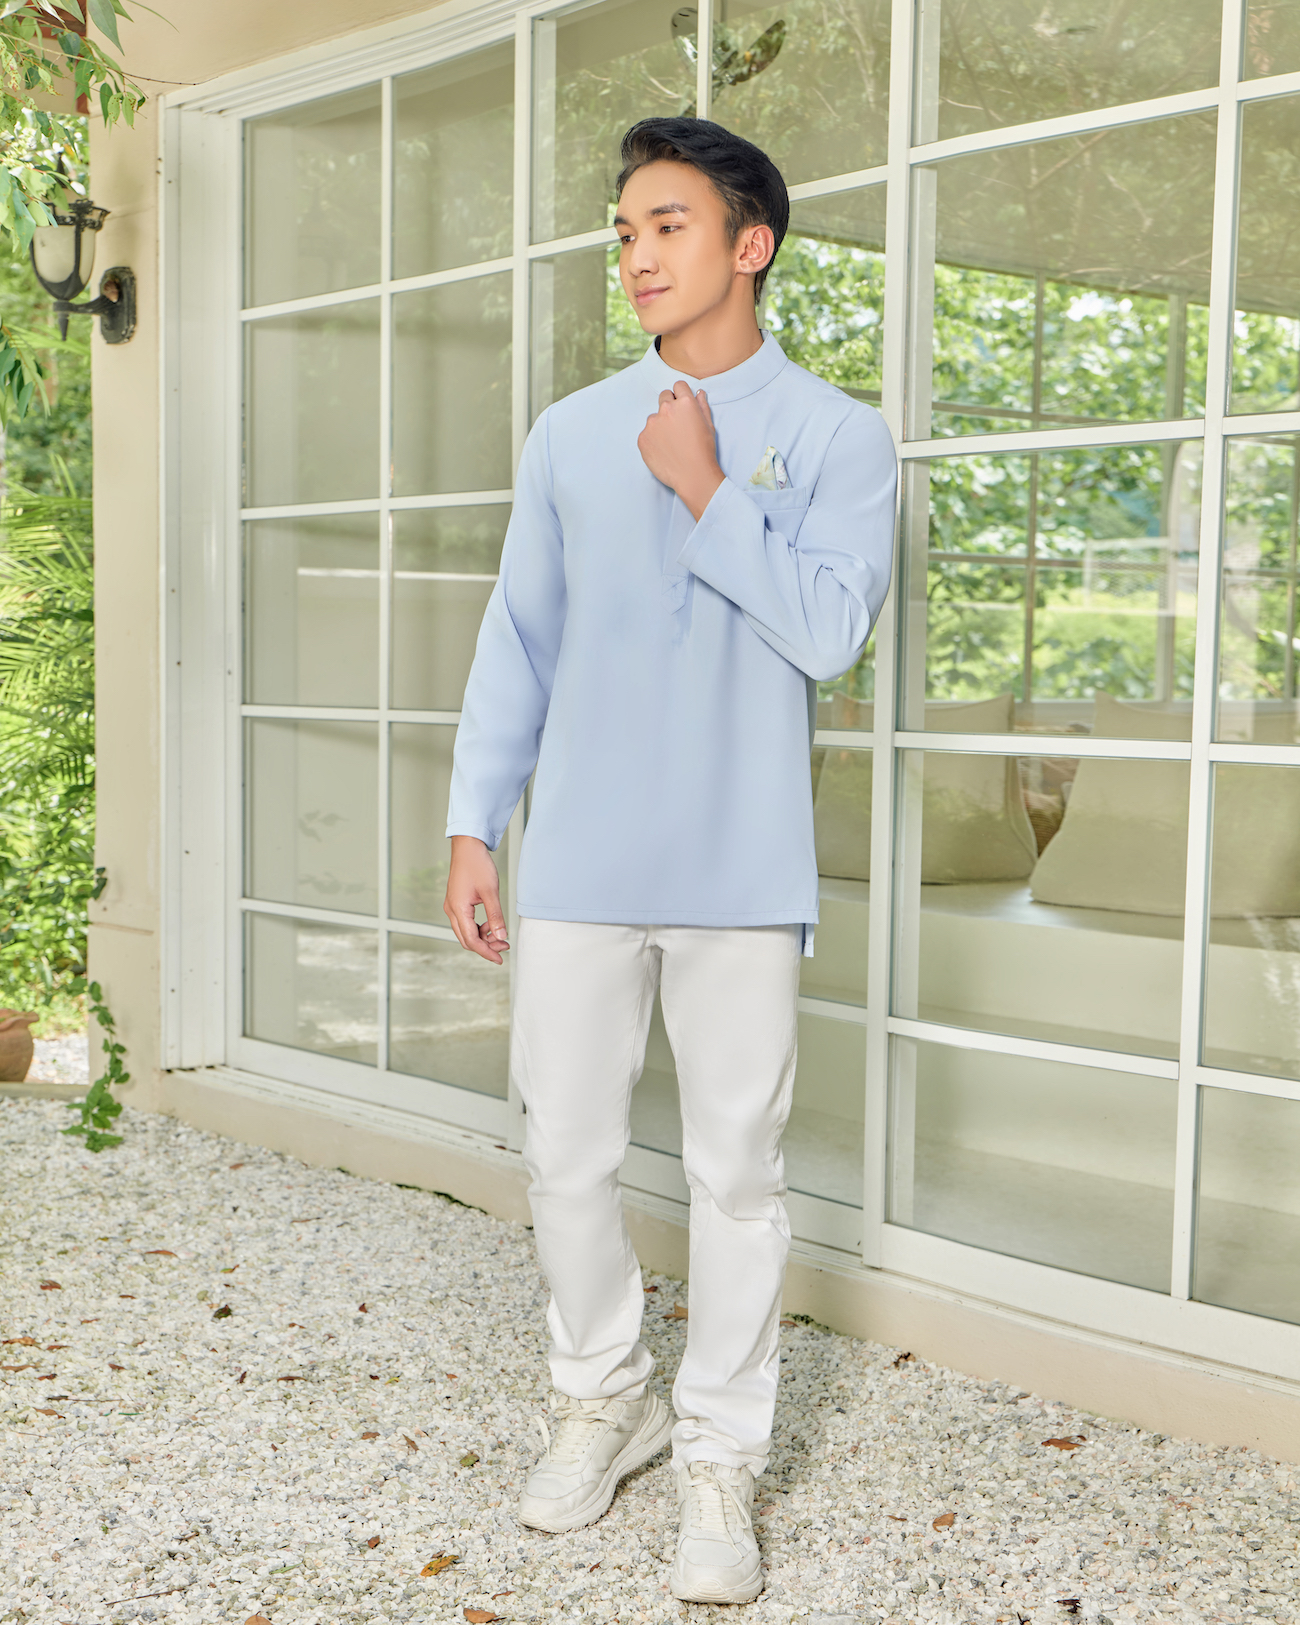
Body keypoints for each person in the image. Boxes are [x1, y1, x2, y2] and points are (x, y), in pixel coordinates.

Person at [443, 115, 897, 1605]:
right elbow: (521, 638)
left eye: (668, 225)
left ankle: (720, 1454)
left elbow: (829, 634)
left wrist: (708, 485)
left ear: (749, 244)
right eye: (625, 231)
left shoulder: (837, 436)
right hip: (578, 855)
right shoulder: (569, 432)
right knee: (561, 1150)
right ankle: (604, 1397)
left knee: (736, 1172)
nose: (637, 255)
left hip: (741, 871)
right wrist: (474, 820)